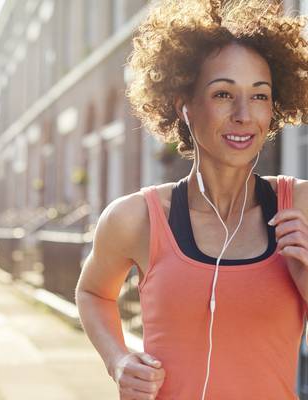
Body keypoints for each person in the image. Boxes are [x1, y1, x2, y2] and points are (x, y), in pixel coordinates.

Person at [75, 0, 308, 399]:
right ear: (184, 105)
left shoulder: (300, 207)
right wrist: (118, 360)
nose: (243, 114)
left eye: (259, 96)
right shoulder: (136, 219)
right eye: (222, 94)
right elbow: (93, 293)